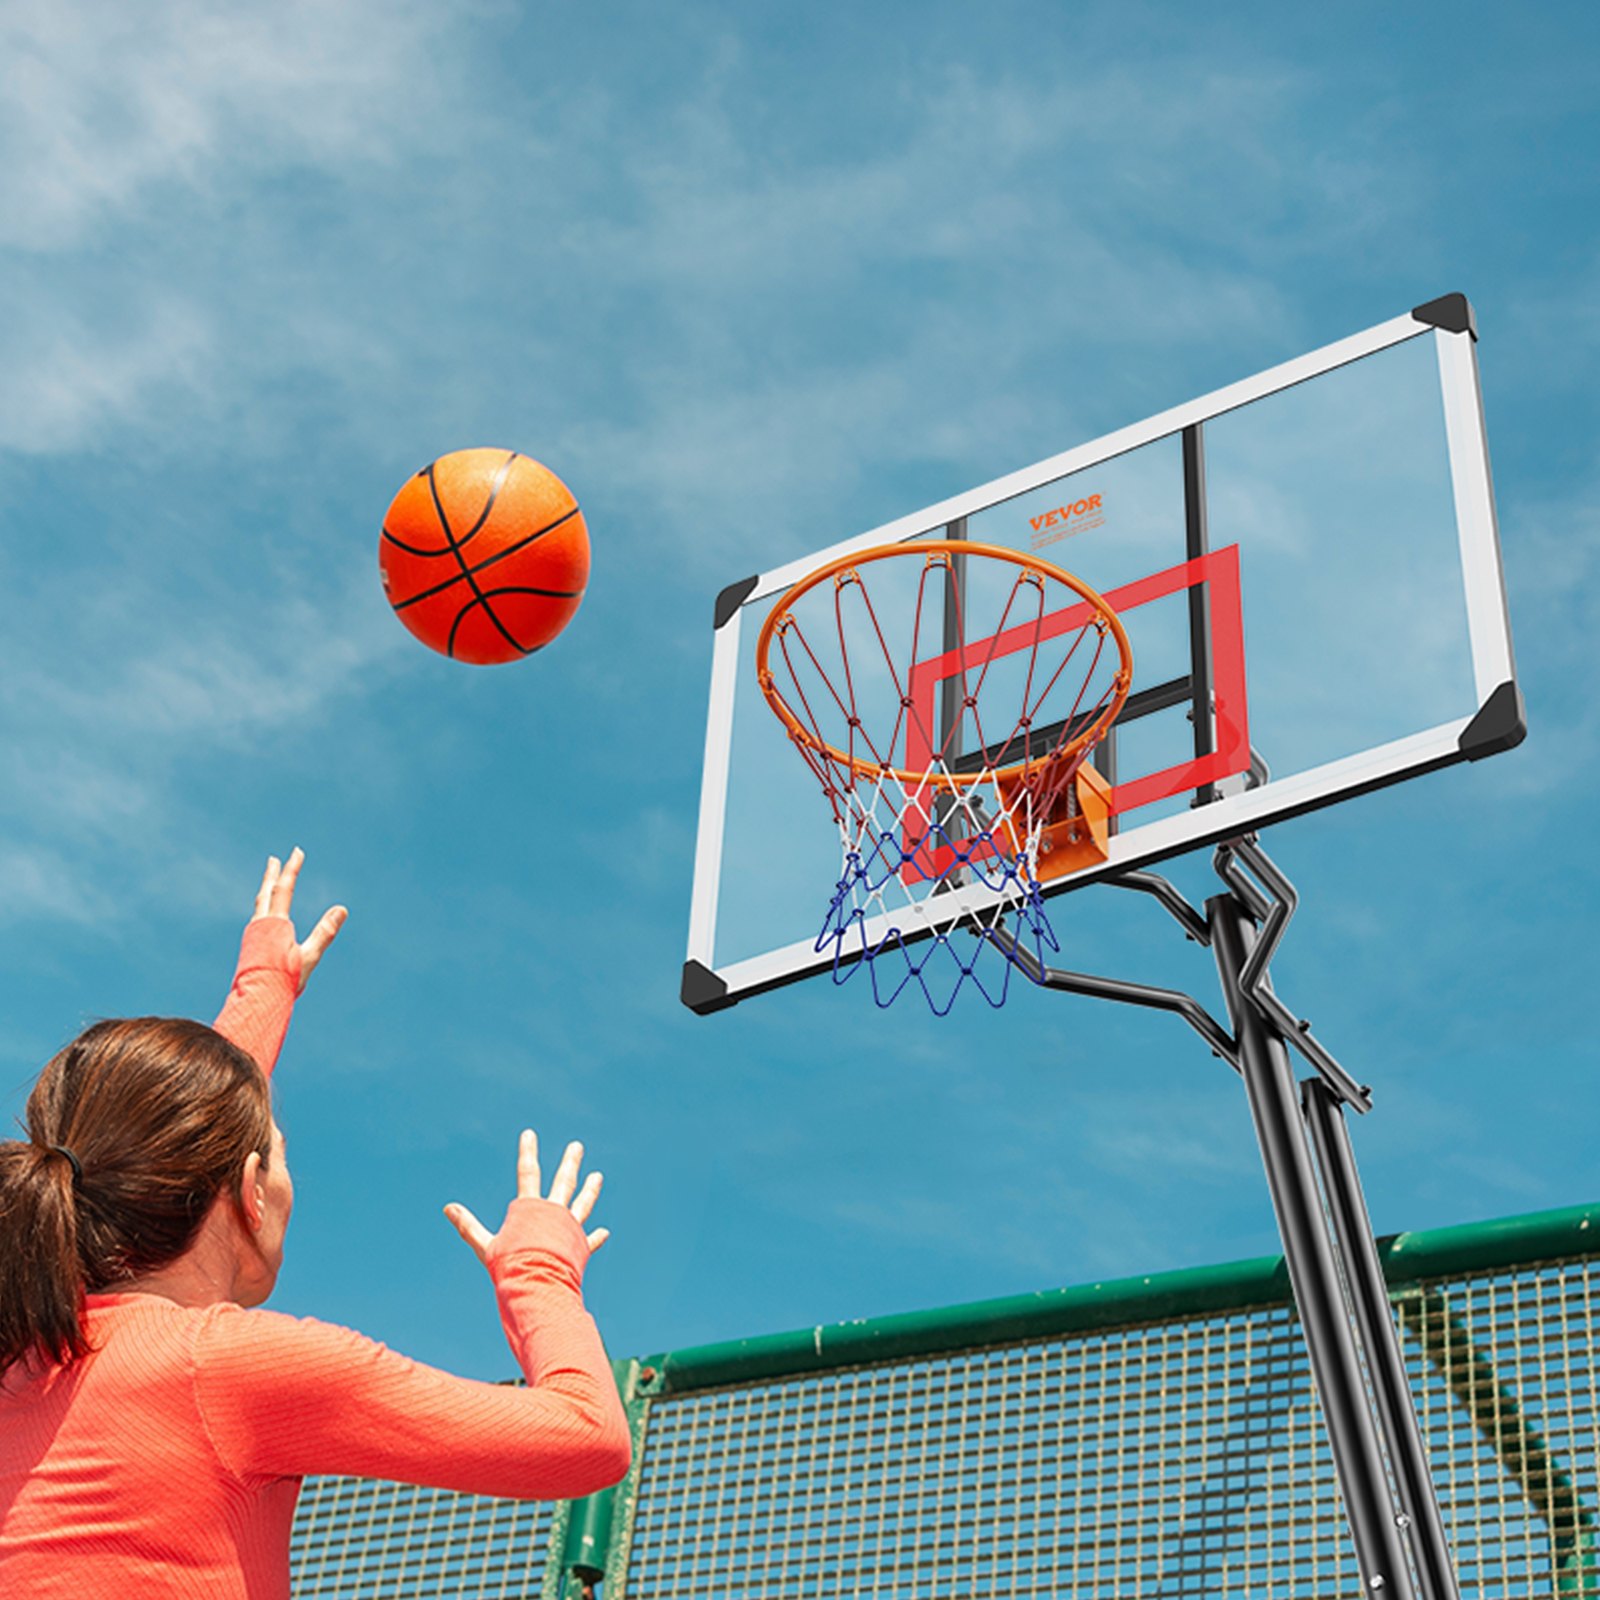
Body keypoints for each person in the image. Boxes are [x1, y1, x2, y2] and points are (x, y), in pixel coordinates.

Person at [0, 850, 631, 1598]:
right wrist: (539, 1272)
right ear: (250, 1194)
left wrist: (264, 989)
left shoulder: (23, 1358)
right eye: (281, 1162)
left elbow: (166, 1139)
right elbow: (586, 1438)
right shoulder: (228, 1368)